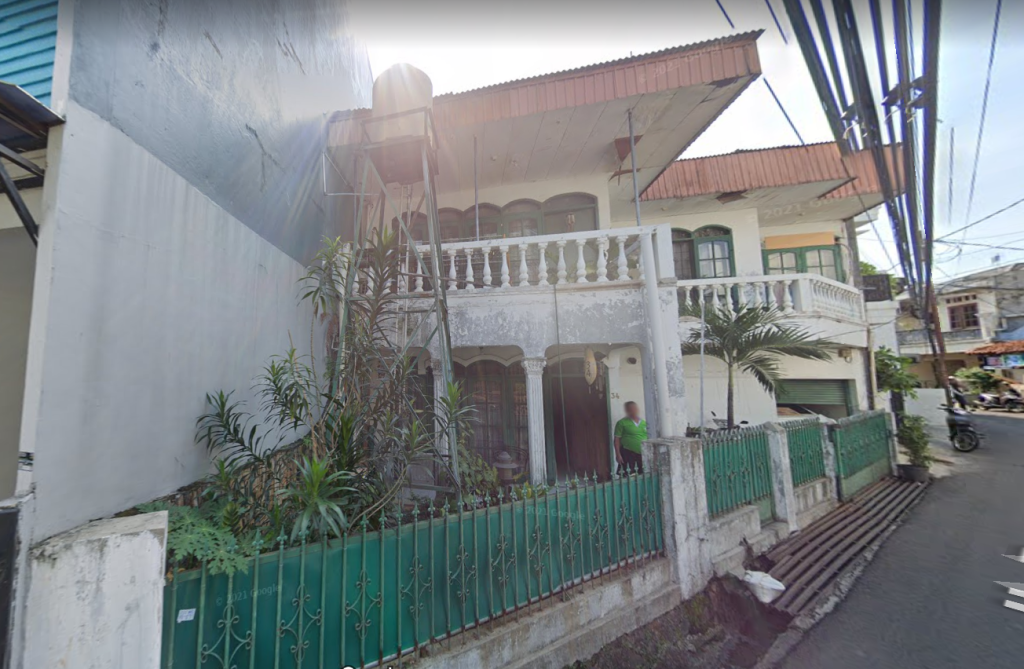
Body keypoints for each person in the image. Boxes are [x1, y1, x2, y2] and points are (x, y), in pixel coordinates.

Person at [613, 401, 647, 474]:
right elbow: (616, 439)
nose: (633, 411)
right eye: (631, 409)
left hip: (642, 453)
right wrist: (618, 454)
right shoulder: (622, 423)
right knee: (628, 474)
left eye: (635, 408)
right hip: (628, 453)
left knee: (643, 473)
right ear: (627, 411)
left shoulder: (644, 423)